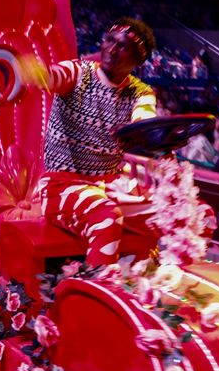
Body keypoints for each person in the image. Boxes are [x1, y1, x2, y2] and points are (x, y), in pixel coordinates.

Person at [22, 17, 157, 267]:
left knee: (173, 213)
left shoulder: (141, 92)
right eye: (110, 40)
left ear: (137, 60)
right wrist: (35, 72)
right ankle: (99, 288)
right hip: (61, 186)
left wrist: (154, 137)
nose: (112, 49)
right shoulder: (79, 73)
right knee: (106, 216)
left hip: (112, 186)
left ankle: (146, 284)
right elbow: (53, 76)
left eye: (123, 46)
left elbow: (145, 121)